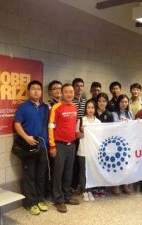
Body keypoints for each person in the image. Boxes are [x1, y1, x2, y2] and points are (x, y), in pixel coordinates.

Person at [14, 80, 49, 215]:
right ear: (28, 92)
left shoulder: (45, 107)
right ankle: (31, 203)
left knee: (41, 175)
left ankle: (40, 200)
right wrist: (26, 137)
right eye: (33, 89)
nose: (36, 91)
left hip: (43, 145)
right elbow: (17, 124)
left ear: (41, 92)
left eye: (38, 89)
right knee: (30, 175)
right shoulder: (23, 107)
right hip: (28, 146)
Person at [49, 83, 80, 213]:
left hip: (71, 145)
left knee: (68, 172)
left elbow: (74, 126)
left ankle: (67, 196)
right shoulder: (56, 107)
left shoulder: (74, 107)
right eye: (66, 92)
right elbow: (51, 126)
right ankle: (58, 200)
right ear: (62, 93)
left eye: (71, 92)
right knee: (58, 173)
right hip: (59, 145)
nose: (69, 94)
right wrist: (52, 145)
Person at [76, 100, 101, 202]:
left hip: (93, 152)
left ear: (95, 109)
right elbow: (77, 136)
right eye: (88, 107)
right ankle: (84, 191)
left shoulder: (98, 122)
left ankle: (90, 190)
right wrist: (82, 130)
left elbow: (100, 137)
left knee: (91, 172)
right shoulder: (81, 120)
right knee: (83, 171)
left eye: (92, 108)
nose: (90, 110)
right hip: (83, 150)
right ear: (85, 109)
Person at [112, 94, 134, 195]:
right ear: (118, 103)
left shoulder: (130, 113)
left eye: (126, 102)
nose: (124, 104)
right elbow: (116, 125)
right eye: (122, 102)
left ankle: (125, 184)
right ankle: (116, 185)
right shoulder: (114, 113)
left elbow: (133, 125)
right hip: (117, 142)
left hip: (128, 141)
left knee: (126, 164)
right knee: (117, 164)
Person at [45, 80, 62, 201]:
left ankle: (61, 191)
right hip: (52, 141)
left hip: (64, 141)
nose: (58, 91)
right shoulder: (47, 106)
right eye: (55, 88)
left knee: (62, 169)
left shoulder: (65, 104)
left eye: (59, 88)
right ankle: (52, 194)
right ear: (50, 92)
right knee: (53, 168)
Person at [94, 92, 114, 197]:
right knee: (95, 166)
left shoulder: (109, 115)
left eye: (104, 101)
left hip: (104, 145)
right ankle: (95, 186)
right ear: (96, 102)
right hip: (93, 144)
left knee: (103, 165)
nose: (102, 103)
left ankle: (102, 187)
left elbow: (111, 131)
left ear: (107, 102)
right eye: (100, 101)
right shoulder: (92, 113)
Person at [71, 78, 86, 191]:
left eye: (81, 85)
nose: (79, 88)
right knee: (74, 161)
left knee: (81, 160)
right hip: (72, 134)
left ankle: (80, 184)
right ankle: (73, 185)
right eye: (77, 86)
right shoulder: (70, 102)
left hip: (83, 134)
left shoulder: (85, 101)